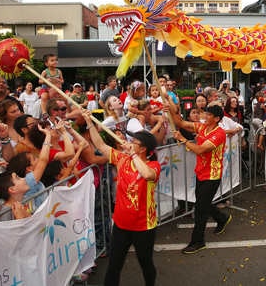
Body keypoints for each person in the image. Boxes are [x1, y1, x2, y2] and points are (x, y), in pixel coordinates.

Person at [82, 110, 161, 286]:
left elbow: (147, 175)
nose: (129, 143)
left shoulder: (153, 165)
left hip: (143, 225)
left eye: (134, 142)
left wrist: (132, 155)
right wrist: (89, 123)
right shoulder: (122, 159)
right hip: (121, 224)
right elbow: (100, 145)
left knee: (145, 263)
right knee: (114, 265)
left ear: (143, 149)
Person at [170, 104, 231, 254]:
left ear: (217, 119)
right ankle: (222, 218)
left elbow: (199, 150)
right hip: (201, 172)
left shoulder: (219, 134)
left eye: (209, 115)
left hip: (212, 175)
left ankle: (198, 241)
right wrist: (170, 110)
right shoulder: (202, 127)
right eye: (206, 113)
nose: (205, 116)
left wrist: (183, 139)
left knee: (200, 210)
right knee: (202, 203)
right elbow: (181, 123)